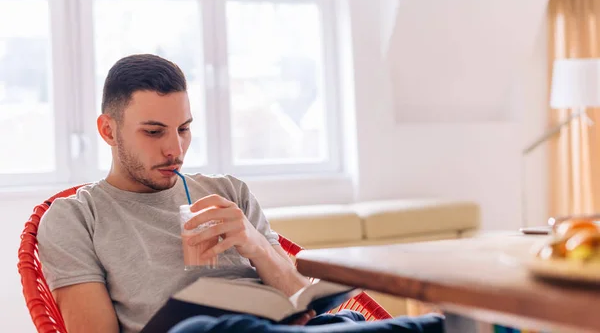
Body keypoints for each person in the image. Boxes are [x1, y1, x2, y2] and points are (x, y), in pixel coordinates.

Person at [38, 54, 444, 333]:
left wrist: (254, 243)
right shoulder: (76, 217)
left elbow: (298, 300)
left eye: (184, 129)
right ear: (108, 130)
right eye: (154, 132)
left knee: (343, 322)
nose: (175, 149)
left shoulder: (227, 190)